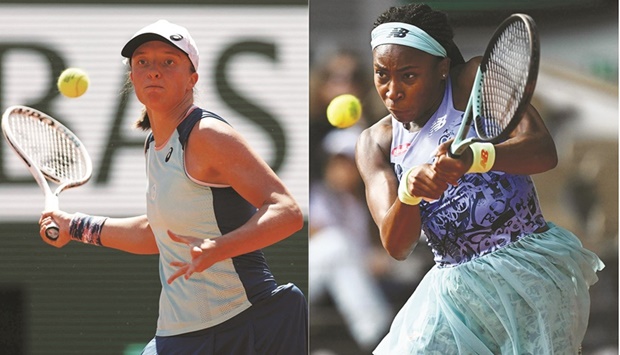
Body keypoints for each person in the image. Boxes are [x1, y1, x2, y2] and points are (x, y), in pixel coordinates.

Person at [38, 19, 307, 355]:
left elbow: (288, 212)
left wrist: (219, 248)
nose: (154, 71)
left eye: (168, 61)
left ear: (192, 78)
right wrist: (76, 226)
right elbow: (157, 233)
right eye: (143, 62)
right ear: (132, 76)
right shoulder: (154, 144)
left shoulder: (208, 134)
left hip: (245, 325)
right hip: (179, 334)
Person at [355, 4, 604, 354]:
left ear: (442, 68)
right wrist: (410, 193)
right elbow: (396, 246)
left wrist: (477, 157)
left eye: (409, 76)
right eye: (382, 74)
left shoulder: (473, 79)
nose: (393, 90)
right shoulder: (374, 143)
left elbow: (543, 151)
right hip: (453, 289)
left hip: (528, 266)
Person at [309, 128, 392, 351]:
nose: (343, 169)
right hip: (307, 277)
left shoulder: (364, 201)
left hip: (347, 277)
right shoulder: (316, 193)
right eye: (338, 162)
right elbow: (313, 235)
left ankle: (377, 334)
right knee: (336, 244)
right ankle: (376, 333)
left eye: (349, 162)